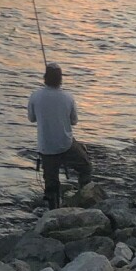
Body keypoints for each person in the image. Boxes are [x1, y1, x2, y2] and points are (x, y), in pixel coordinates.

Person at [27, 63, 93, 210]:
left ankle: (53, 210)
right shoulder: (68, 97)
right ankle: (84, 199)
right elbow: (74, 121)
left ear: (45, 78)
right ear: (60, 80)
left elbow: (31, 118)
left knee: (51, 183)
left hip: (46, 147)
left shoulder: (35, 96)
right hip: (66, 144)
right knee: (86, 167)